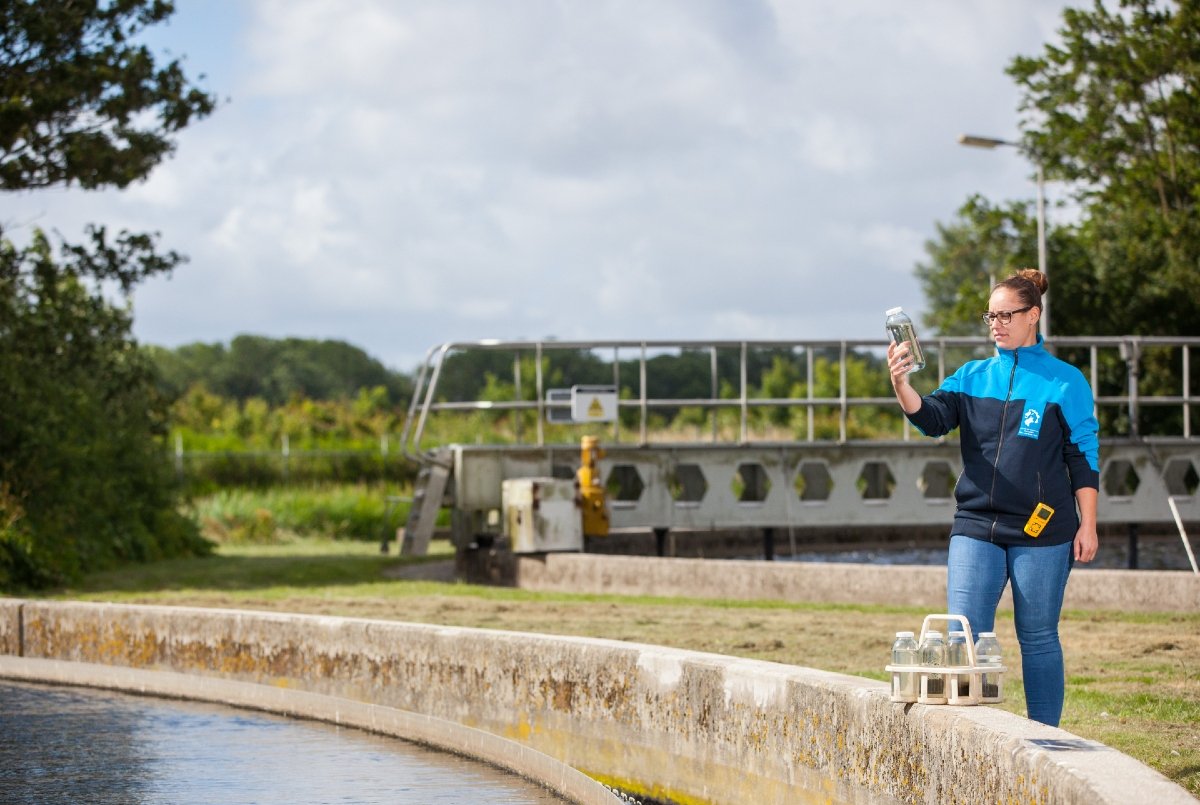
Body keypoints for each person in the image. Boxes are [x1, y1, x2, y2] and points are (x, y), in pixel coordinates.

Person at [887, 268, 1099, 726]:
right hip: (977, 525)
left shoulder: (1065, 381)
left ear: (1033, 315)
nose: (996, 324)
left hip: (1042, 530)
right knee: (962, 635)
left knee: (1038, 636)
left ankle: (1047, 739)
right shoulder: (971, 375)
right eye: (991, 316)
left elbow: (1083, 455)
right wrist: (903, 386)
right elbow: (933, 419)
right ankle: (976, 735)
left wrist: (1088, 524)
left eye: (1007, 315)